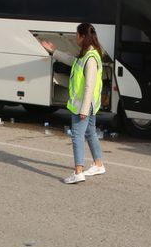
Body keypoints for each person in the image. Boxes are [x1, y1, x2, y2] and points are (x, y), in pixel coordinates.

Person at [40, 22, 106, 184]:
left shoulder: (90, 58)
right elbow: (72, 61)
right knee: (90, 133)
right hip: (89, 104)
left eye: (77, 35)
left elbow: (89, 85)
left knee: (77, 136)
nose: (76, 38)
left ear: (83, 37)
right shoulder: (87, 54)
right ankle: (98, 164)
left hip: (83, 104)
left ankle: (78, 172)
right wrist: (54, 51)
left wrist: (83, 109)